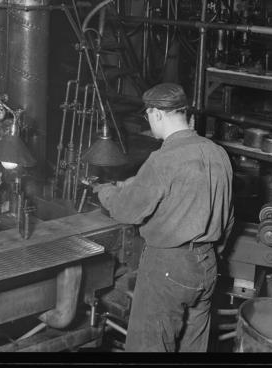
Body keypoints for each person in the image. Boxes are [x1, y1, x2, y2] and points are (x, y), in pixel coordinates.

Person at [95, 82, 234, 352]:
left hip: (168, 267)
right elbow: (228, 219)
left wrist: (106, 192)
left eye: (148, 116)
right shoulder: (218, 153)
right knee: (193, 348)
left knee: (148, 347)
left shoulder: (162, 159)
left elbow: (125, 210)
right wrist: (209, 254)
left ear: (156, 113)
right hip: (207, 264)